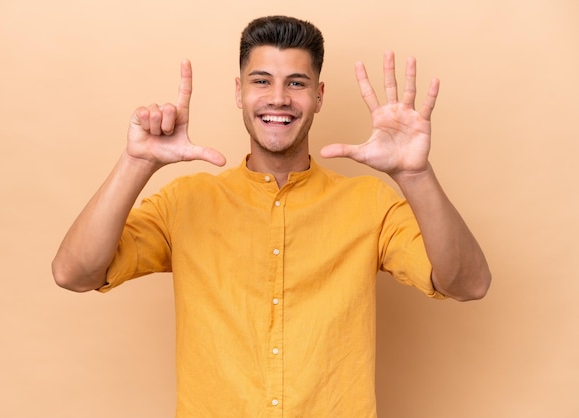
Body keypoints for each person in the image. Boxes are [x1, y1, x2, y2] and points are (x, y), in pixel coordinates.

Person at [52, 15, 491, 417]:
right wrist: (138, 162)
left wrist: (415, 174)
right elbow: (75, 272)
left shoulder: (371, 205)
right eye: (261, 80)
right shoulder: (184, 201)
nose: (278, 99)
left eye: (297, 83)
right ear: (238, 91)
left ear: (319, 97)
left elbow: (468, 283)